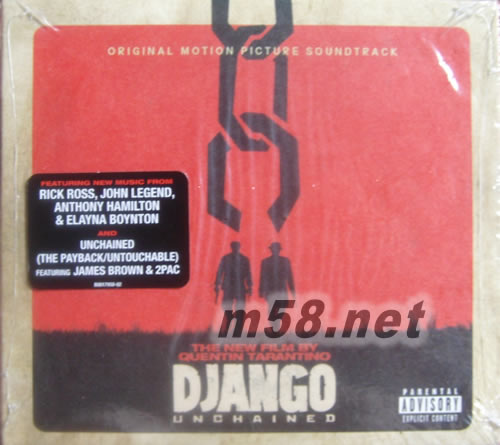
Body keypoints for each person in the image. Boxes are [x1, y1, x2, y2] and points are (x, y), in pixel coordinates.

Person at [215, 242, 252, 310]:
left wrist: (250, 286)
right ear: (231, 247)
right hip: (229, 287)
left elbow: (248, 274)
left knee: (240, 308)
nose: (235, 248)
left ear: (239, 247)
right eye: (234, 247)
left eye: (237, 247)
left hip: (240, 287)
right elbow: (220, 272)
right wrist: (217, 284)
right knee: (227, 308)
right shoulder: (225, 258)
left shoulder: (244, 259)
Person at [259, 242, 296, 312]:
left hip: (276, 291)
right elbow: (263, 278)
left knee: (277, 312)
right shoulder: (284, 261)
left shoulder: (266, 261)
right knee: (275, 312)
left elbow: (290, 278)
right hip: (275, 291)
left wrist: (293, 292)